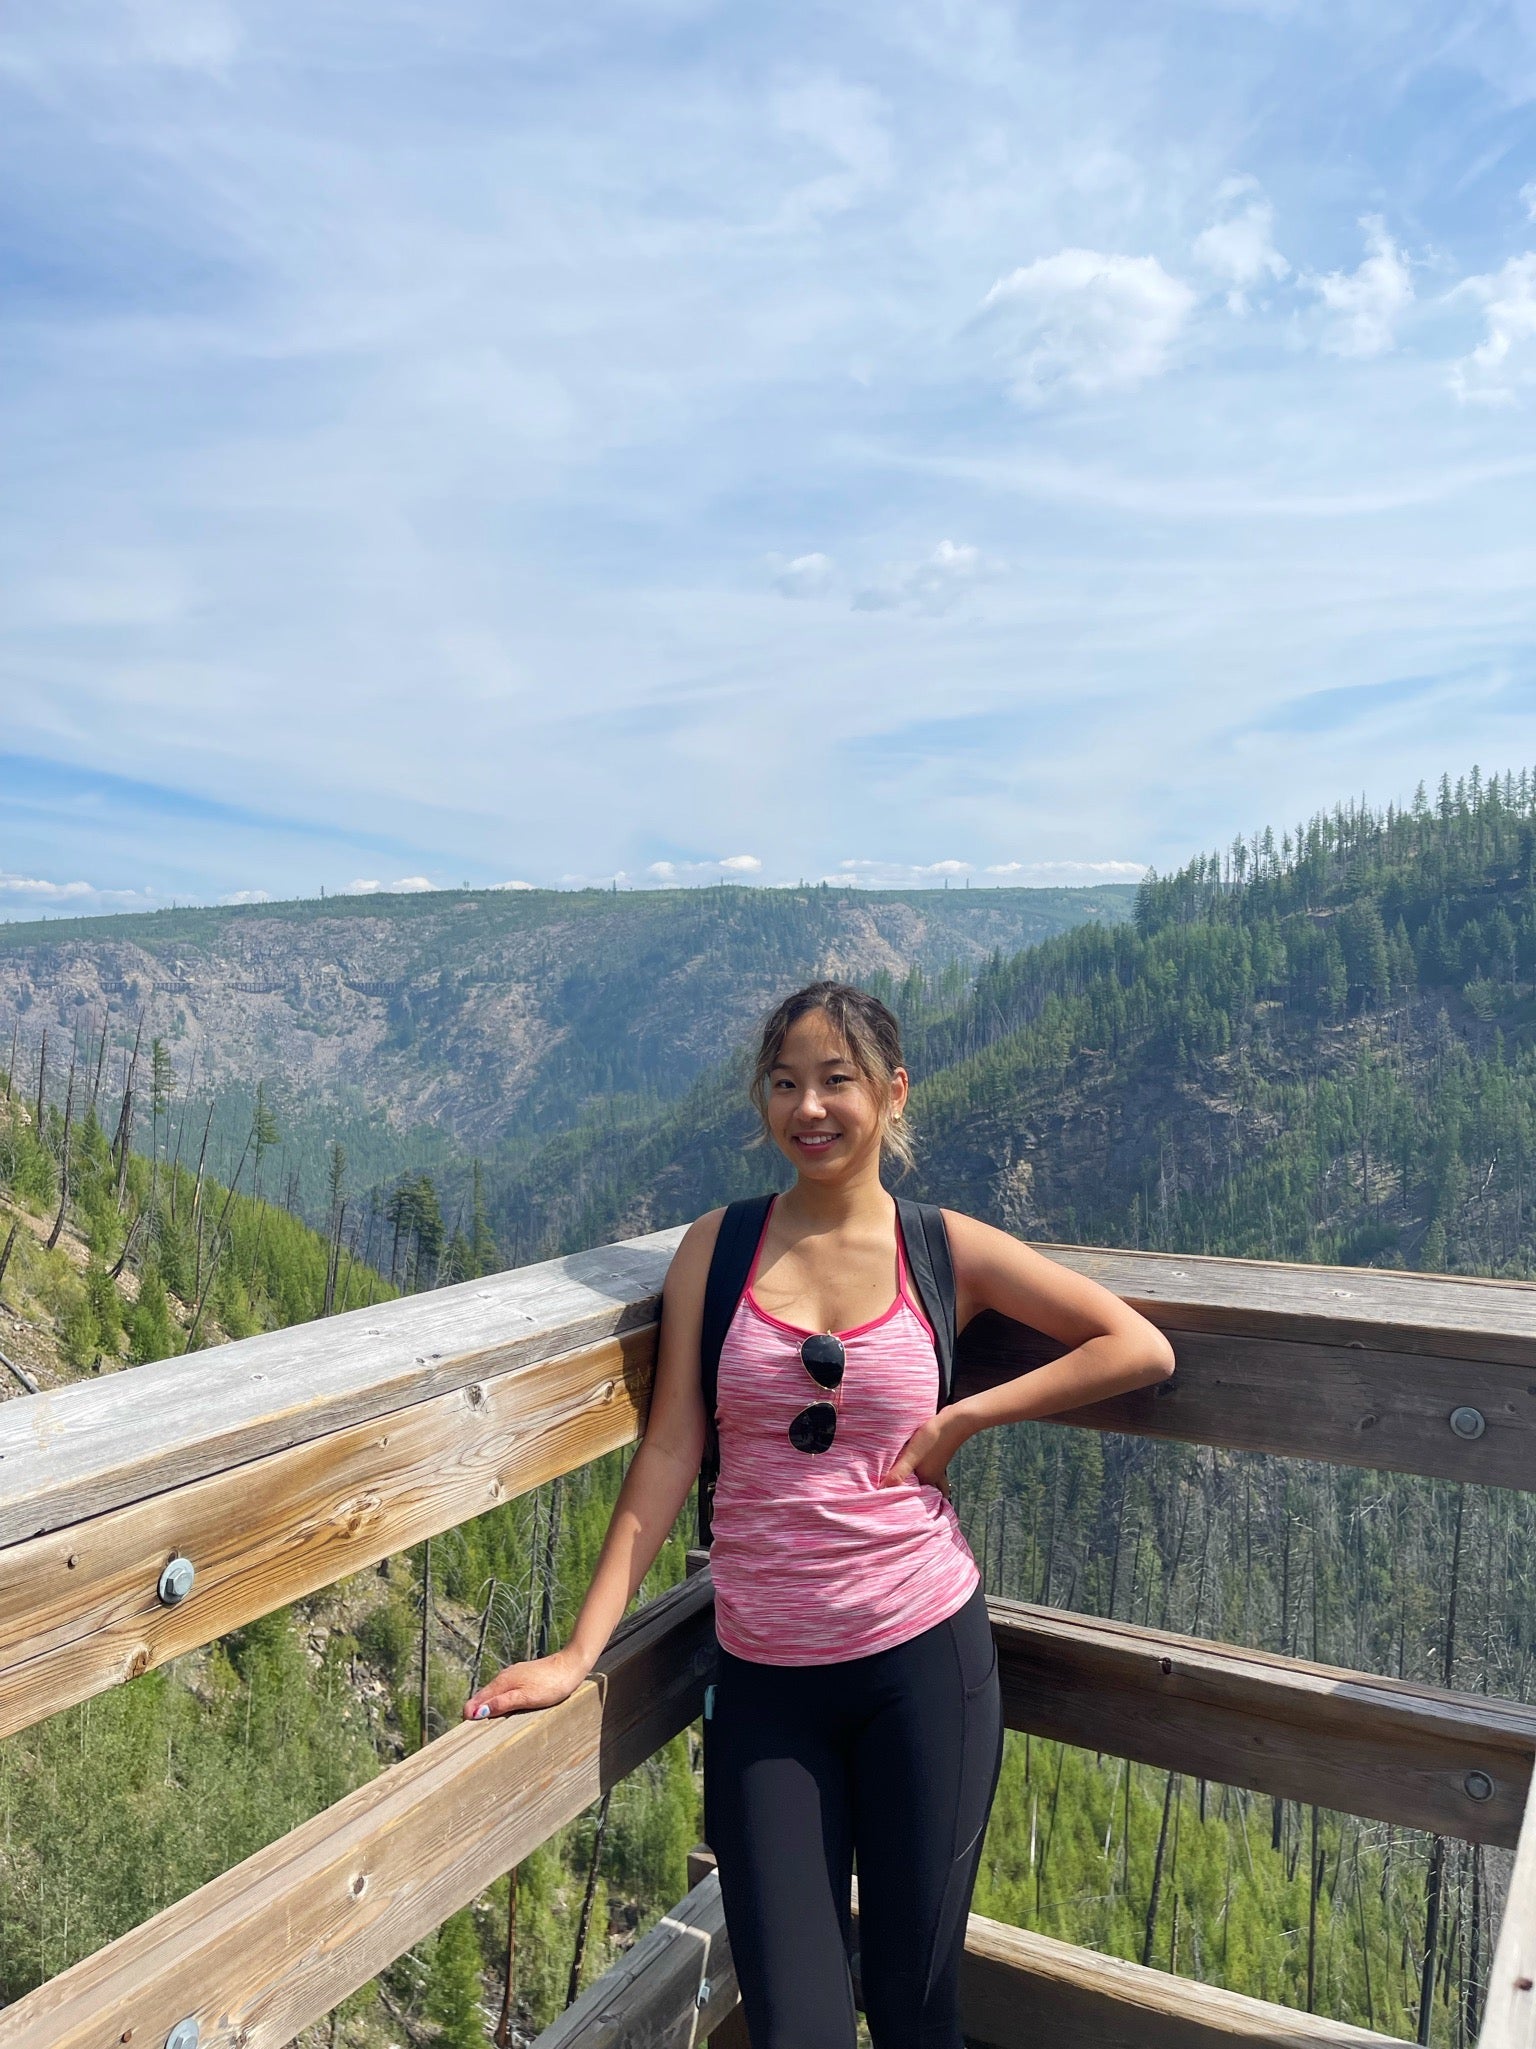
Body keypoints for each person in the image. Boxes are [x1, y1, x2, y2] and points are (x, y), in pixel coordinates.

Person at [465, 980, 1174, 2049]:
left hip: (923, 1663)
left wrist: (963, 1418)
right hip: (766, 1687)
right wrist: (578, 1652)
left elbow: (1137, 1347)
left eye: (837, 1081)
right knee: (794, 2025)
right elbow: (670, 1446)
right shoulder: (722, 1245)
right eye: (786, 1084)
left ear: (892, 1093)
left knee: (915, 2013)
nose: (810, 1108)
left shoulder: (941, 1248)